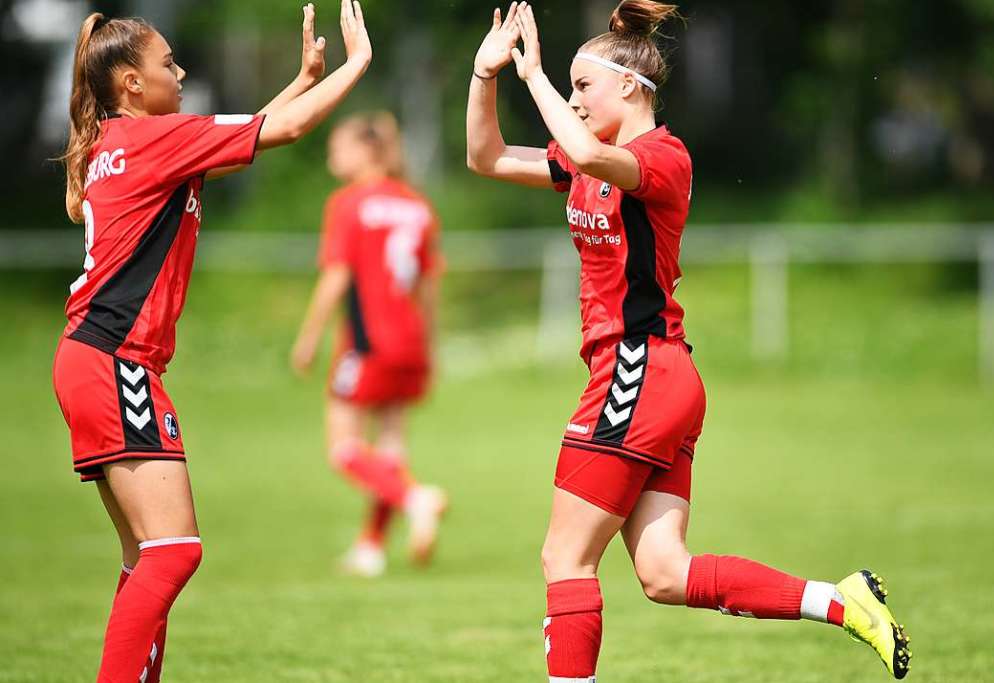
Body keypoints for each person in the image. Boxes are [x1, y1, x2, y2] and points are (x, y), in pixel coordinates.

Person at [466, 2, 912, 680]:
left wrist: (532, 75)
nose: (575, 102)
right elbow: (487, 157)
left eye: (583, 86)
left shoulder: (662, 158)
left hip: (637, 373)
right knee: (665, 573)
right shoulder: (591, 160)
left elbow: (585, 149)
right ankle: (841, 600)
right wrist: (485, 73)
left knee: (565, 558)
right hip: (657, 378)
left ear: (628, 87)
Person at [51, 3, 372, 680]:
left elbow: (247, 129)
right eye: (168, 62)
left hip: (89, 357)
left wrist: (301, 76)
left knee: (146, 558)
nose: (183, 69)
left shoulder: (124, 142)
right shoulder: (154, 141)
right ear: (132, 84)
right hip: (115, 360)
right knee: (174, 551)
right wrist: (356, 66)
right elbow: (283, 129)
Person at [291, 111, 446, 577]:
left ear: (367, 150)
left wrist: (308, 337)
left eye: (339, 146)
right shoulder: (418, 205)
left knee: (344, 447)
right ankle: (371, 546)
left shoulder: (349, 203)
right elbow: (430, 286)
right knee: (391, 445)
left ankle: (415, 498)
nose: (331, 154)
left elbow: (338, 276)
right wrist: (430, 347)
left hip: (367, 343)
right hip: (411, 340)